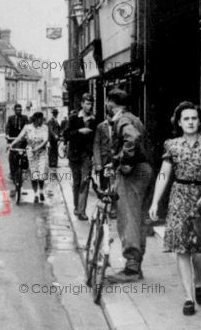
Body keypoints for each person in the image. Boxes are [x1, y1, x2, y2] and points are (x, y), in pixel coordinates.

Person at [149, 102, 201, 315]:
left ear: (199, 121)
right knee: (181, 249)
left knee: (200, 250)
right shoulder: (172, 145)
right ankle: (188, 297)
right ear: (179, 122)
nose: (190, 122)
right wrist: (155, 201)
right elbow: (163, 174)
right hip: (179, 197)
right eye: (186, 119)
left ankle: (198, 279)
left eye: (194, 118)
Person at [104, 88, 153, 283]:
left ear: (110, 103)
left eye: (107, 103)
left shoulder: (121, 119)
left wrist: (123, 161)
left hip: (133, 173)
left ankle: (131, 269)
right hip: (145, 170)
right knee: (139, 219)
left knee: (128, 217)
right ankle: (135, 265)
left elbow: (131, 138)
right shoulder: (134, 117)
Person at [65, 94, 96, 220]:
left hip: (87, 155)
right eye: (87, 103)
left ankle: (82, 210)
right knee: (77, 182)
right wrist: (79, 132)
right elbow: (66, 134)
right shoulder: (73, 118)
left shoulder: (94, 120)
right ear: (82, 104)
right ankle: (77, 207)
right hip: (75, 154)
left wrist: (94, 155)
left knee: (85, 181)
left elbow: (96, 139)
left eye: (91, 104)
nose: (90, 106)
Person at [11, 111, 49, 203]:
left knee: (41, 173)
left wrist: (37, 148)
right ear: (35, 119)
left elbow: (45, 140)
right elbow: (20, 137)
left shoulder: (44, 127)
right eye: (40, 119)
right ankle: (36, 194)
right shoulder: (27, 128)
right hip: (31, 153)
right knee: (34, 174)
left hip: (41, 153)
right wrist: (11, 144)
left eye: (42, 119)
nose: (42, 121)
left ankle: (41, 191)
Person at [93, 112, 117, 218]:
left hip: (115, 159)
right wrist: (98, 163)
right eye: (109, 116)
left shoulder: (119, 125)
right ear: (106, 116)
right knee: (104, 185)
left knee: (115, 185)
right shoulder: (101, 126)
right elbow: (96, 144)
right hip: (104, 160)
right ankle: (104, 207)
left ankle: (114, 208)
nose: (111, 119)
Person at [5, 104, 30, 195]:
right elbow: (7, 128)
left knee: (24, 160)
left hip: (22, 142)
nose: (18, 111)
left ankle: (22, 184)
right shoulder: (10, 118)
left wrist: (27, 135)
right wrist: (7, 134)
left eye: (20, 110)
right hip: (13, 141)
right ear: (14, 110)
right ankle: (14, 182)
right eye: (17, 110)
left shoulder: (25, 118)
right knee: (11, 160)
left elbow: (28, 127)